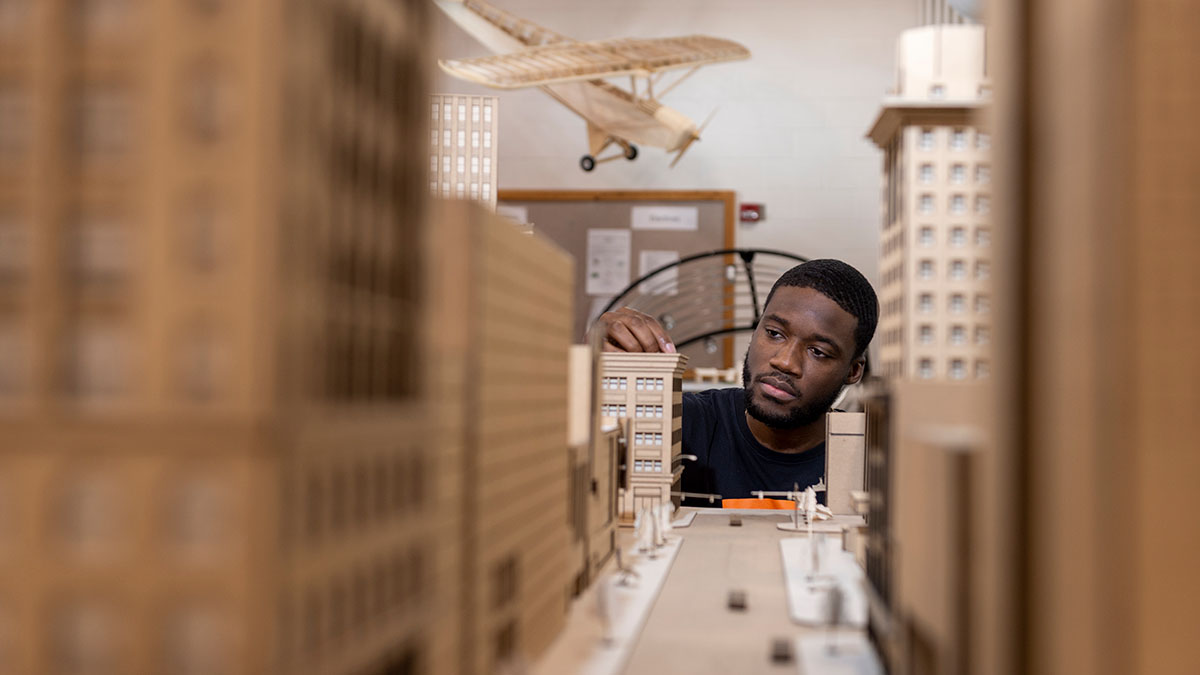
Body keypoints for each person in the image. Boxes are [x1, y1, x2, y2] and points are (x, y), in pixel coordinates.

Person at [593, 259, 878, 506]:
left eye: (818, 351)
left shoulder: (868, 460)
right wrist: (593, 369)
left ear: (853, 371)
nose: (785, 362)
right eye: (775, 333)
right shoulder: (686, 423)